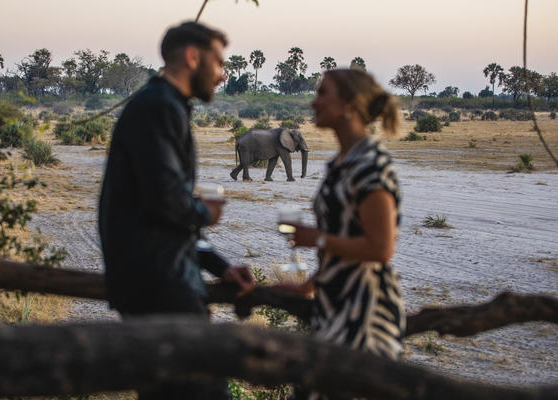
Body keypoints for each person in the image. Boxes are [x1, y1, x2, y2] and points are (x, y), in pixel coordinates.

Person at [97, 21, 254, 399]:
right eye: (218, 62)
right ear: (191, 56)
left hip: (159, 278)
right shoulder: (159, 109)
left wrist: (220, 266)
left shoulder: (163, 106)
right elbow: (166, 201)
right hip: (161, 287)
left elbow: (161, 216)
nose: (222, 74)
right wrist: (205, 213)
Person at [277, 69, 405, 400]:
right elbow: (344, 241)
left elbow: (380, 248)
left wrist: (316, 238)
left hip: (363, 310)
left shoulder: (371, 165)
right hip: (335, 302)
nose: (313, 101)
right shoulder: (342, 162)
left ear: (349, 104)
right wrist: (309, 286)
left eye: (323, 93)